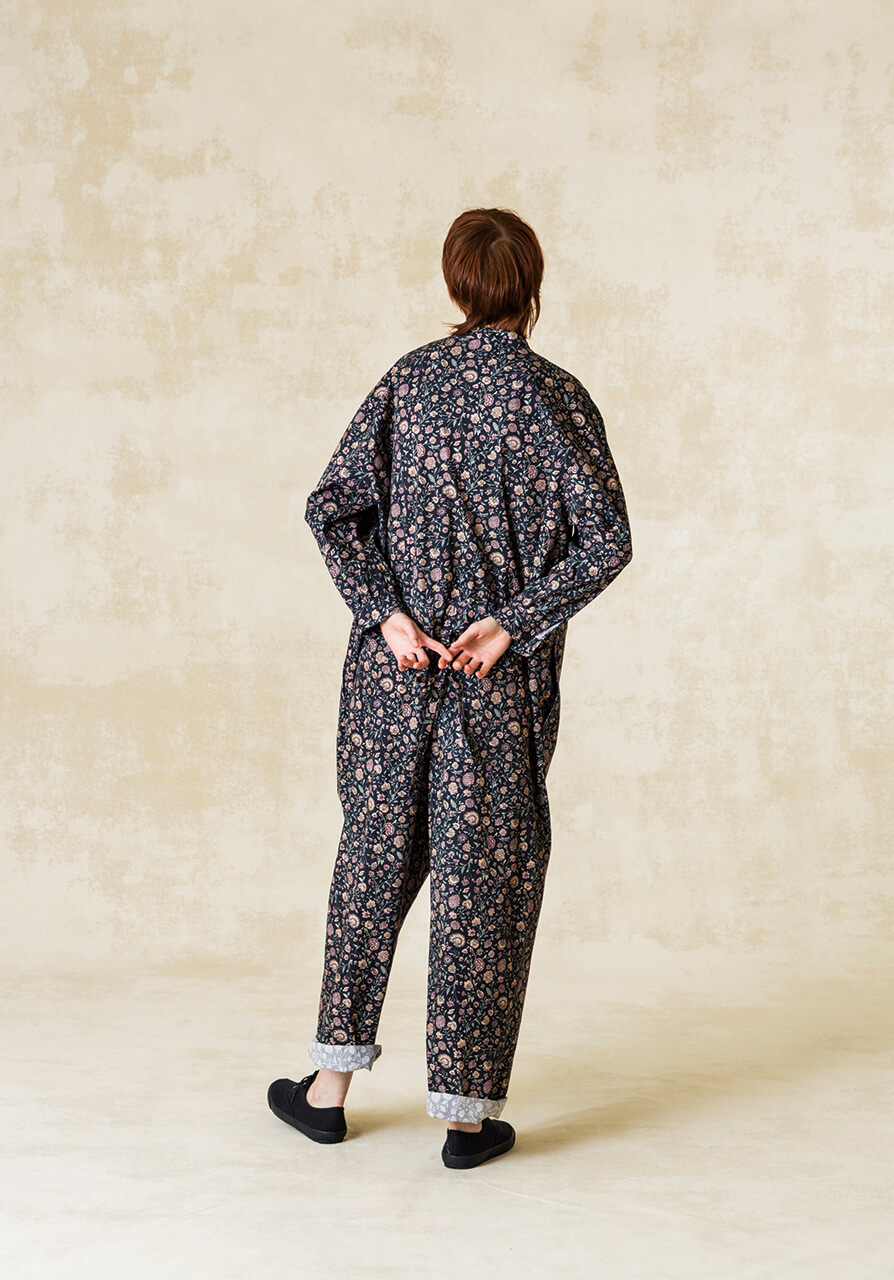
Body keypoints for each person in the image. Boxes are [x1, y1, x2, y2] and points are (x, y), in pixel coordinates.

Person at [267, 207, 633, 1169]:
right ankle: (465, 1121)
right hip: (495, 687)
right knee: (484, 879)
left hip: (396, 676)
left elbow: (330, 509)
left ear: (455, 284)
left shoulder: (407, 382)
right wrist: (512, 622)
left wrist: (386, 613)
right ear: (531, 286)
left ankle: (328, 1090)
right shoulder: (557, 400)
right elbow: (608, 541)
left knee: (372, 860)